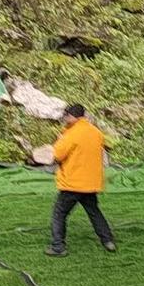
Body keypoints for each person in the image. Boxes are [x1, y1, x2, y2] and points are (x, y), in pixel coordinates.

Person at [46, 103, 116, 256]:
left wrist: (60, 138)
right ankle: (108, 240)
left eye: (66, 116)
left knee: (59, 213)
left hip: (73, 183)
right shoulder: (96, 132)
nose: (64, 119)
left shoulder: (71, 134)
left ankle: (58, 246)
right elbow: (108, 144)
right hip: (91, 182)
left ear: (71, 116)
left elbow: (57, 155)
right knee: (94, 212)